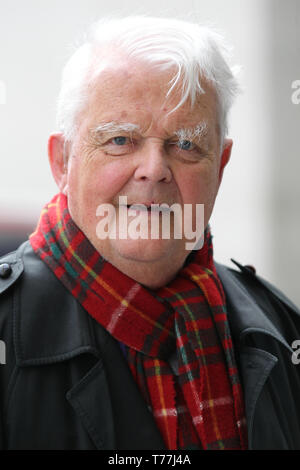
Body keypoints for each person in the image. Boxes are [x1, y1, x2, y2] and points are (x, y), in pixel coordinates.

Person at [0, 15, 300, 451]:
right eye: (120, 140)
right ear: (63, 162)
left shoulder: (281, 329)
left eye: (186, 144)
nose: (155, 170)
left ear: (219, 166)